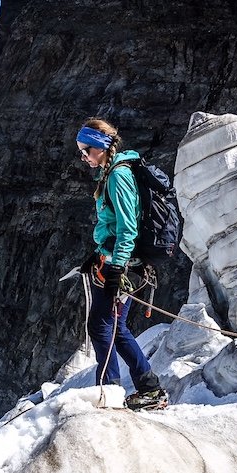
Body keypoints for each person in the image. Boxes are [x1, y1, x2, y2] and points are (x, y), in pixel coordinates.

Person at [75, 118, 167, 410]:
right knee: (114, 326)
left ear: (101, 147)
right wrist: (99, 251)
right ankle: (148, 389)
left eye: (86, 150)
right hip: (121, 260)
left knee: (102, 326)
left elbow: (128, 228)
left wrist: (117, 268)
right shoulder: (111, 172)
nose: (83, 156)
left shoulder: (118, 176)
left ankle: (110, 392)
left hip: (125, 265)